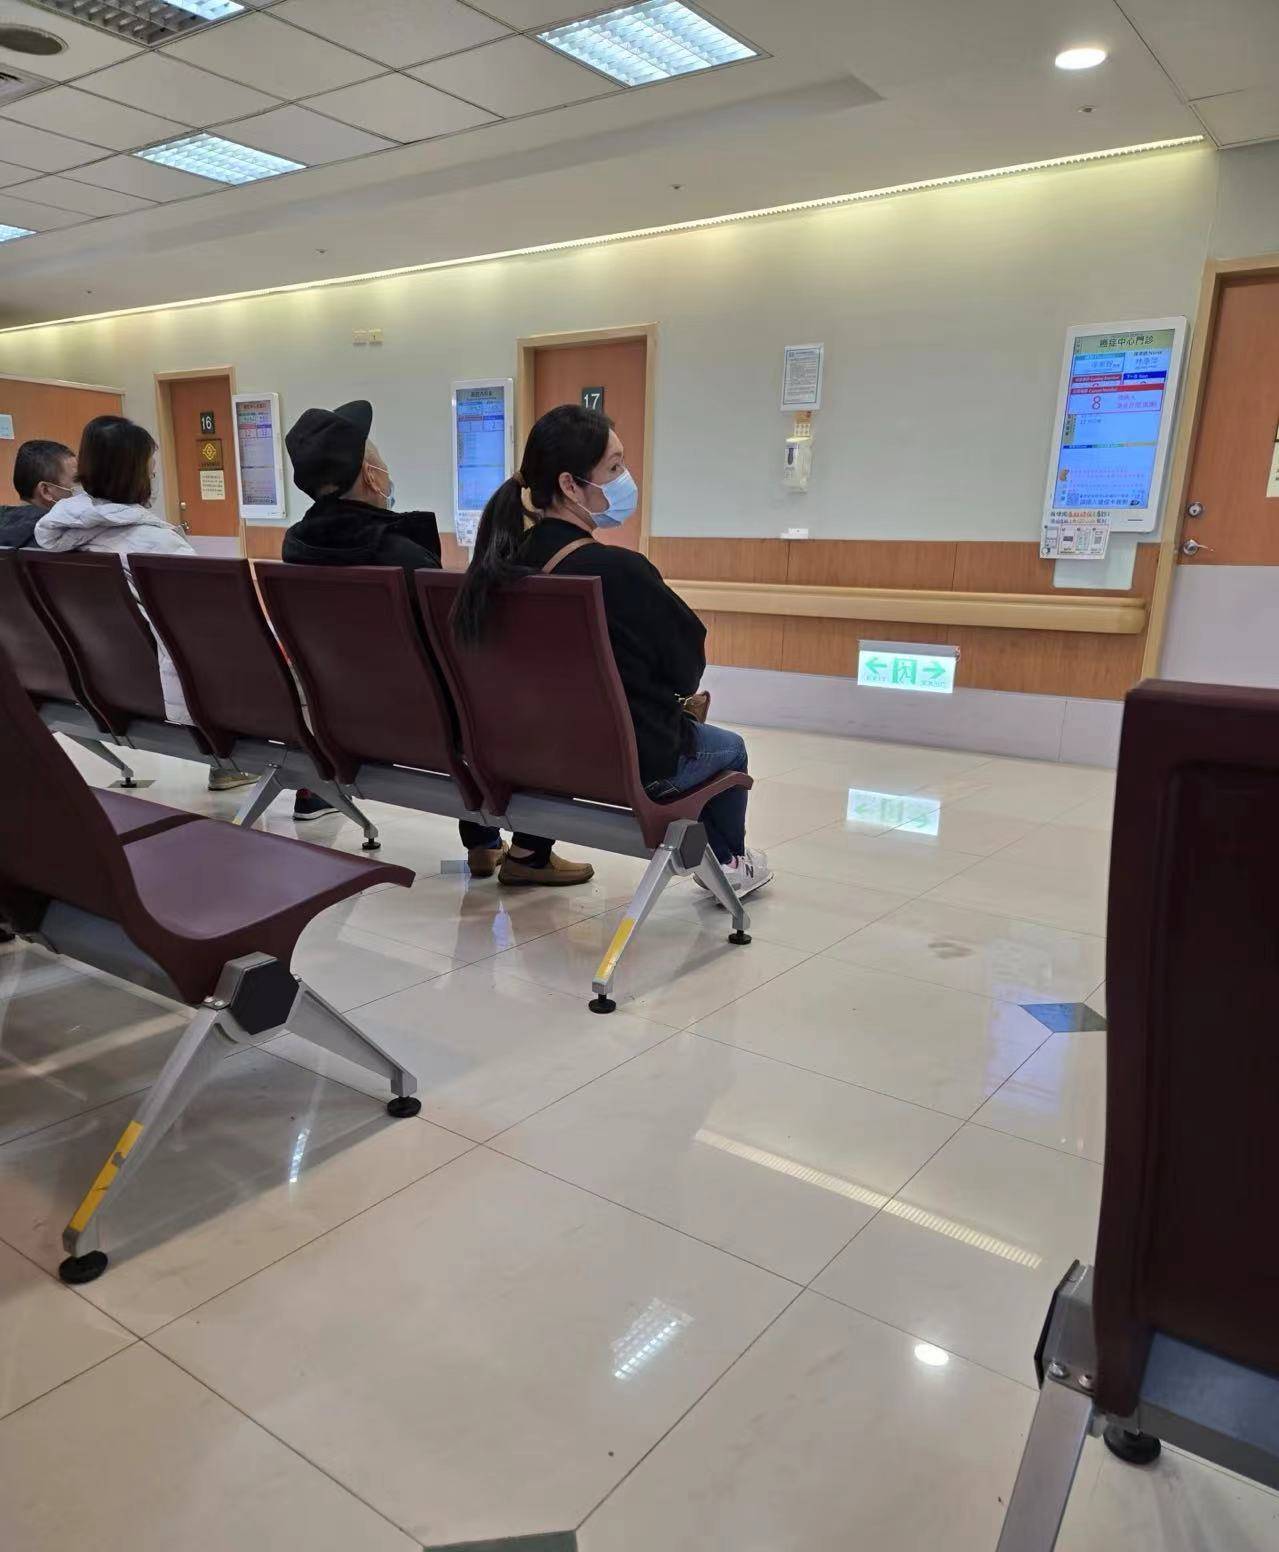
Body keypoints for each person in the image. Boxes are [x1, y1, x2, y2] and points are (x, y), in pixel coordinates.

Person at [454, 404, 771, 897]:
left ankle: (529, 851)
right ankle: (729, 866)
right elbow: (685, 670)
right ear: (570, 485)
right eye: (614, 467)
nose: (625, 480)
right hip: (622, 762)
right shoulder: (620, 571)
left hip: (521, 753)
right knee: (729, 748)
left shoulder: (494, 570)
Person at [282, 399, 593, 885]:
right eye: (383, 466)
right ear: (371, 477)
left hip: (343, 722)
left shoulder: (294, 551)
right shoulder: (402, 555)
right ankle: (527, 851)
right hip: (429, 729)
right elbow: (458, 656)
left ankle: (486, 846)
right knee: (536, 698)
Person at [33, 414, 255, 793]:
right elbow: (209, 626)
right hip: (162, 689)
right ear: (136, 474)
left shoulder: (57, 541)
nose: (153, 475)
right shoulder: (156, 546)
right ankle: (233, 762)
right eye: (150, 468)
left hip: (98, 682)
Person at [0, 439, 76, 548]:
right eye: (77, 480)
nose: (84, 487)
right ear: (45, 491)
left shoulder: (4, 519)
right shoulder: (58, 535)